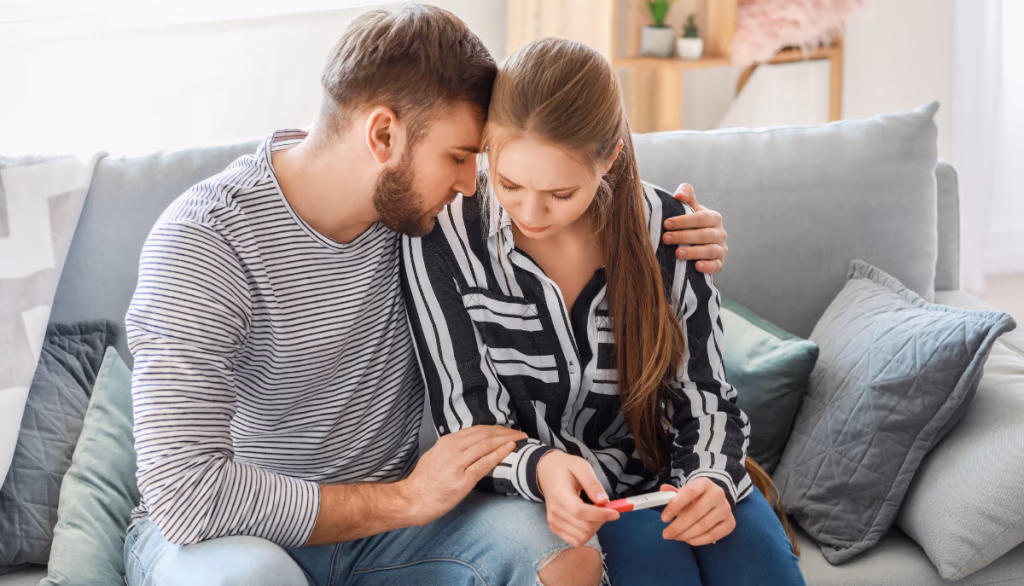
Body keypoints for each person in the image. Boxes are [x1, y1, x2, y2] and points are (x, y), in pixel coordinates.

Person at [122, 5, 732, 586]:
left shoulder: (421, 219)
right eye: (461, 157)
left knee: (561, 556)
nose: (476, 185)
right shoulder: (206, 242)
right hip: (231, 539)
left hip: (392, 534)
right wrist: (407, 497)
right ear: (383, 135)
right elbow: (187, 495)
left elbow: (571, 179)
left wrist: (676, 229)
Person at [402, 37, 805, 585]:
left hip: (674, 470)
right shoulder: (443, 237)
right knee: (658, 567)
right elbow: (469, 425)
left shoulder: (669, 228)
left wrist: (710, 478)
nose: (531, 212)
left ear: (610, 157)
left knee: (757, 565)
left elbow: (704, 395)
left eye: (561, 192)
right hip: (544, 494)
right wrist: (542, 472)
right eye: (509, 183)